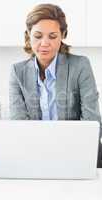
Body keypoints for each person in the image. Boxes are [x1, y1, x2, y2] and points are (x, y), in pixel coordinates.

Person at [9, 4, 102, 166]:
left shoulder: (80, 66)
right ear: (28, 35)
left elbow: (92, 122)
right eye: (37, 36)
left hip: (79, 157)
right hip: (35, 157)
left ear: (63, 35)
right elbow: (19, 127)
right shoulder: (17, 71)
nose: (44, 43)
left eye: (52, 36)